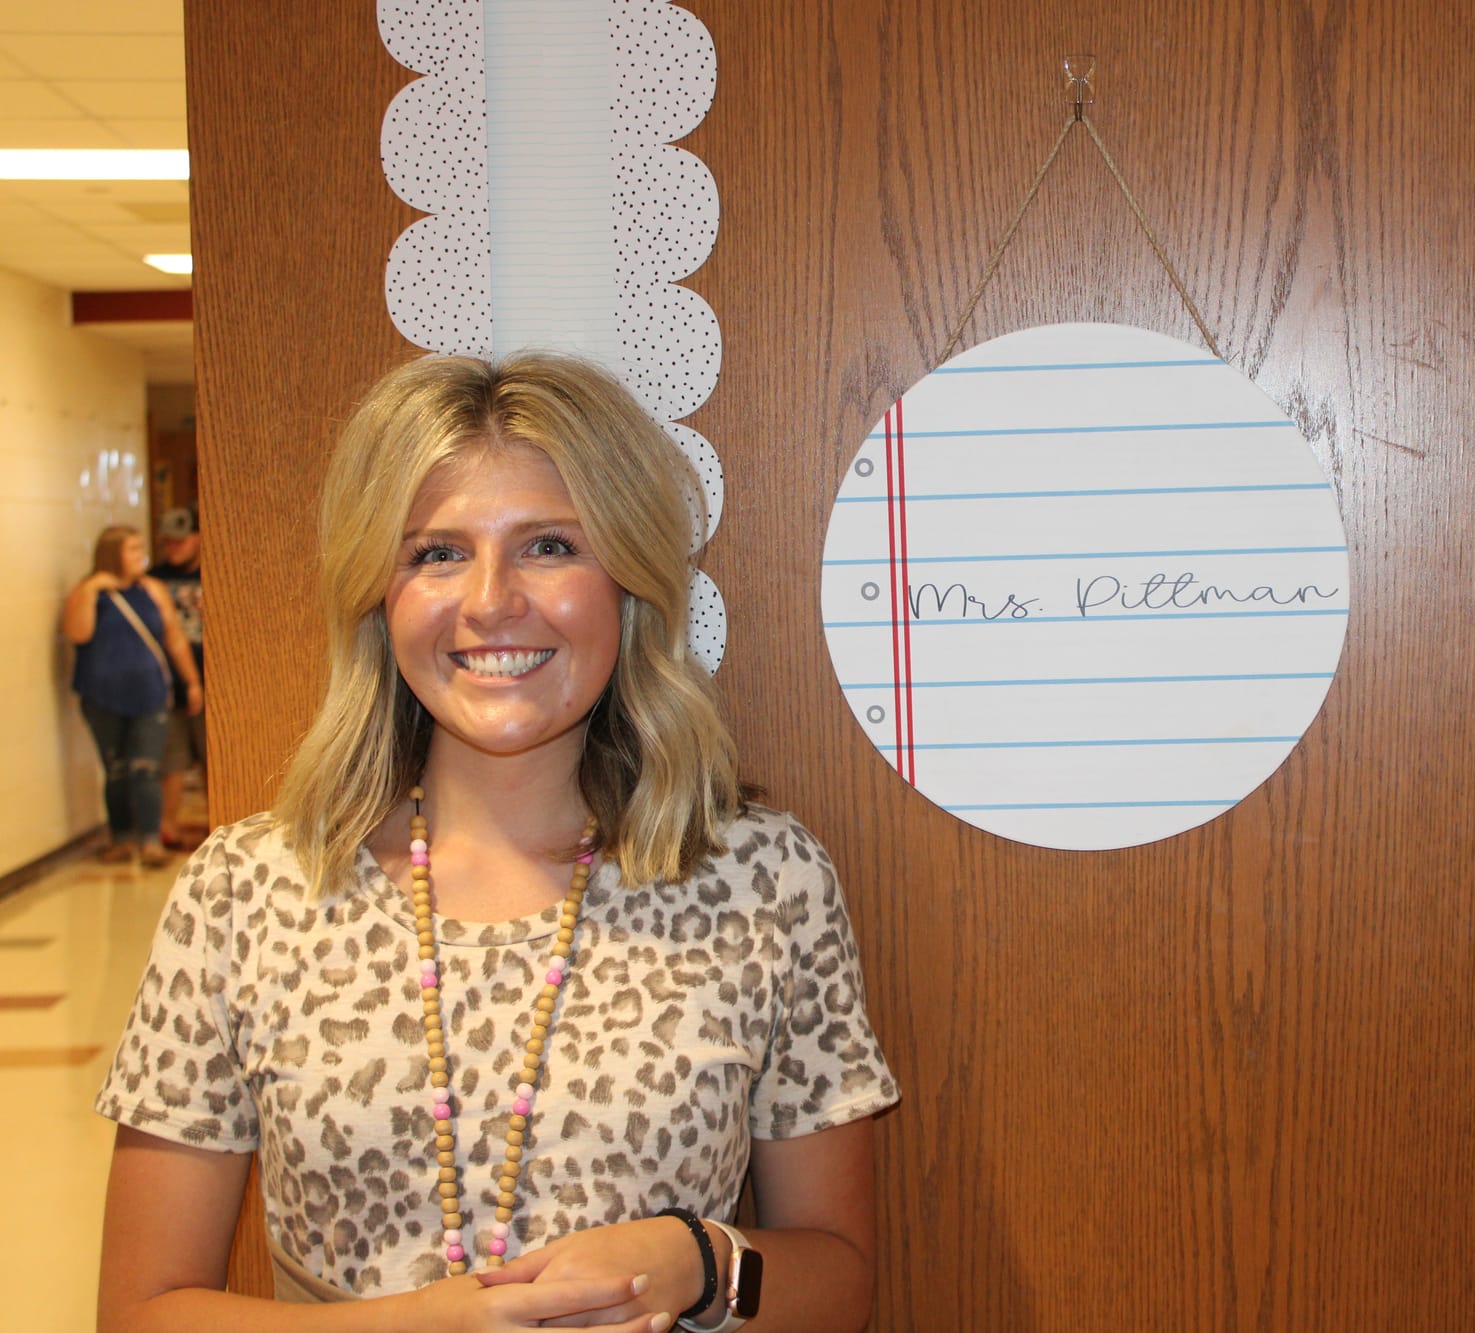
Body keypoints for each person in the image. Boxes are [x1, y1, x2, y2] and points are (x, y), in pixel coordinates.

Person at [94, 353, 900, 1331]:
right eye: (436, 552)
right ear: (376, 593)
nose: (489, 600)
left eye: (549, 544)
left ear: (629, 579)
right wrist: (416, 1324)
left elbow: (840, 1283)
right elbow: (139, 1309)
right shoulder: (245, 892)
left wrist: (699, 1257)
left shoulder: (763, 882)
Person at [62, 525, 203, 868]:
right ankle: (121, 838)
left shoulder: (152, 589)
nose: (140, 555)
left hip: (151, 694)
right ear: (112, 555)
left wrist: (192, 682)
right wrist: (94, 587)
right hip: (102, 697)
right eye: (132, 549)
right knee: (117, 770)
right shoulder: (88, 591)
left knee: (146, 767)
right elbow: (78, 633)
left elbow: (174, 639)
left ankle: (151, 840)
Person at [148, 506, 206, 847]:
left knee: (209, 756)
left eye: (180, 542)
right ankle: (167, 826)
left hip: (210, 678)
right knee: (172, 760)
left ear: (197, 539)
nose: (174, 549)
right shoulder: (154, 579)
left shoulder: (213, 574)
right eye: (168, 543)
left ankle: (219, 821)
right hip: (168, 683)